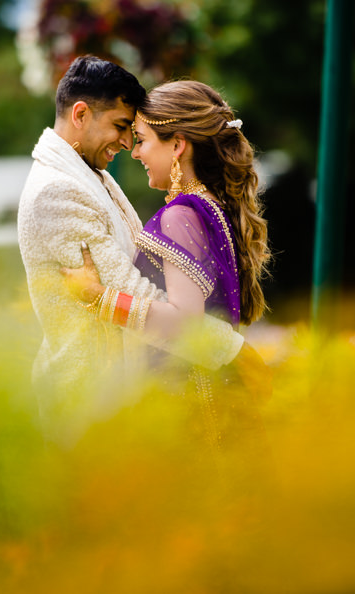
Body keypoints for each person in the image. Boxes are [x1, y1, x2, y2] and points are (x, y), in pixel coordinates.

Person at [17, 57, 253, 446]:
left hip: (124, 405)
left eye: (136, 135)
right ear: (80, 114)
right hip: (91, 405)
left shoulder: (94, 176)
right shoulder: (56, 191)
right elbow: (136, 291)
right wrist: (233, 351)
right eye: (122, 127)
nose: (128, 145)